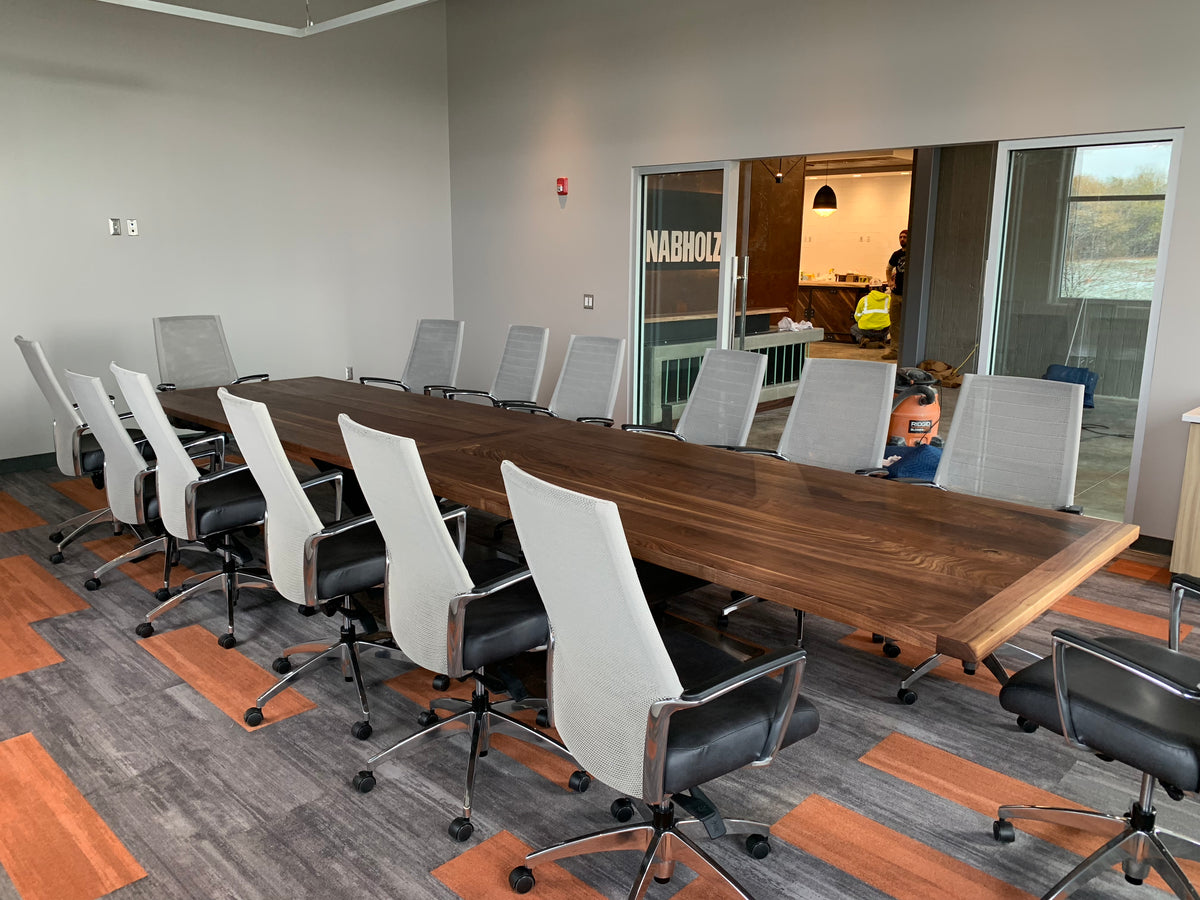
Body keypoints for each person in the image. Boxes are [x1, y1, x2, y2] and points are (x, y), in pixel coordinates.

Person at [883, 229, 908, 360]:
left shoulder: (914, 252)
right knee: (895, 323)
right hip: (896, 294)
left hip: (908, 294)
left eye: (904, 237)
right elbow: (888, 268)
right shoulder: (896, 254)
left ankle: (908, 350)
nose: (902, 239)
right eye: (900, 237)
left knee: (908, 322)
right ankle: (895, 350)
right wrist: (889, 282)